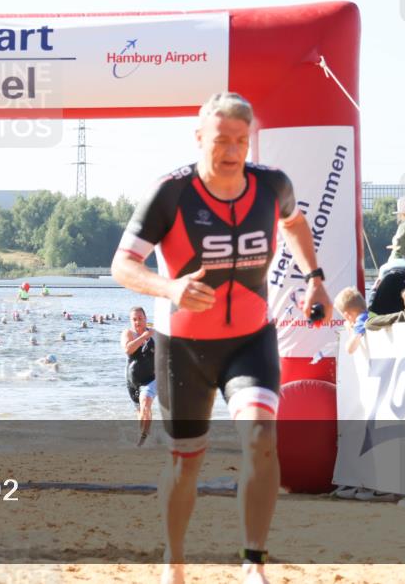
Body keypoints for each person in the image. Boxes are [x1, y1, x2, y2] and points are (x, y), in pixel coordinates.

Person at [110, 92, 332, 584]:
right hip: (183, 347)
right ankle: (174, 561)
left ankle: (253, 564)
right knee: (186, 461)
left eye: (240, 141)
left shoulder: (272, 185)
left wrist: (314, 276)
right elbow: (122, 265)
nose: (232, 152)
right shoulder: (170, 192)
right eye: (220, 141)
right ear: (198, 139)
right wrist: (169, 287)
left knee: (260, 439)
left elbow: (294, 224)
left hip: (250, 339)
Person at [121, 306, 156, 443]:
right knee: (141, 410)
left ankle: (142, 440)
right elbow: (128, 350)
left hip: (151, 379)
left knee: (145, 402)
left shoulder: (154, 334)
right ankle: (147, 436)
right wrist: (143, 337)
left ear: (146, 319)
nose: (137, 322)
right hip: (132, 381)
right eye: (134, 319)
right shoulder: (128, 333)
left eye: (140, 318)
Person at [333, 287, 368, 355]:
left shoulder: (361, 320)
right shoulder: (369, 315)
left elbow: (350, 349)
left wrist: (351, 330)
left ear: (347, 316)